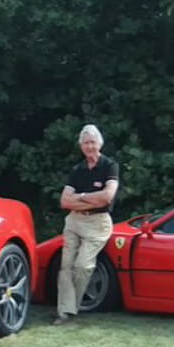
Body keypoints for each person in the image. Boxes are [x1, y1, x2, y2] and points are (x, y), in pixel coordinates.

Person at [54, 124, 119, 325]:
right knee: (66, 266)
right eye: (85, 143)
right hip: (74, 221)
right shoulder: (77, 170)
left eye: (92, 142)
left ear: (99, 143)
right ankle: (65, 312)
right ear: (81, 146)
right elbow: (64, 202)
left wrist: (79, 197)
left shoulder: (110, 166)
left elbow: (107, 197)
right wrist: (91, 198)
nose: (89, 146)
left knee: (82, 266)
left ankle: (73, 305)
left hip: (98, 223)